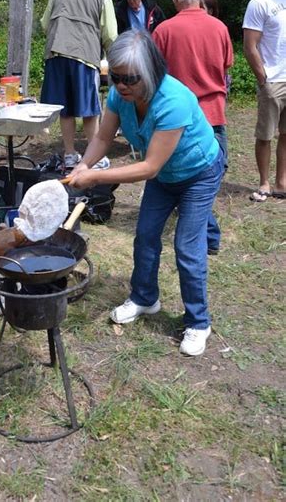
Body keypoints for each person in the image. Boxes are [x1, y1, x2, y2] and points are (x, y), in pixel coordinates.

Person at [67, 30, 224, 356]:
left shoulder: (174, 101)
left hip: (198, 173)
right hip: (165, 176)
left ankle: (198, 322)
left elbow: (150, 166)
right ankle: (144, 298)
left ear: (152, 72)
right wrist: (83, 165)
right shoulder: (119, 97)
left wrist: (96, 177)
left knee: (187, 247)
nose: (121, 85)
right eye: (115, 78)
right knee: (146, 236)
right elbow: (102, 138)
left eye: (130, 79)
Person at [152, 0, 234, 255]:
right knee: (205, 181)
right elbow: (225, 70)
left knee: (184, 181)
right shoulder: (220, 28)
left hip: (178, 120)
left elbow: (155, 76)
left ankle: (207, 236)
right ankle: (210, 238)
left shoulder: (163, 31)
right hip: (213, 115)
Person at [40, 0, 117, 170]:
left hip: (55, 53)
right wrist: (113, 58)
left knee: (65, 109)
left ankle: (70, 154)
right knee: (90, 109)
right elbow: (110, 33)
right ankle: (96, 157)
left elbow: (45, 23)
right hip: (84, 56)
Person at [242, 0, 286, 201]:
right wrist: (263, 79)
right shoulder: (261, 2)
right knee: (265, 135)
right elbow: (250, 46)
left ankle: (282, 182)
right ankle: (264, 183)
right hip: (272, 80)